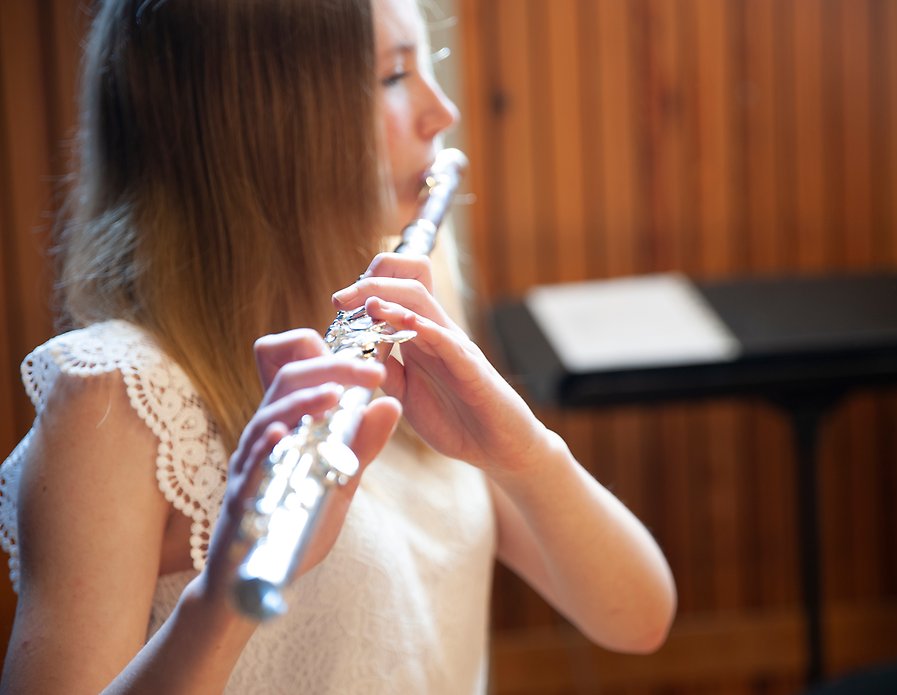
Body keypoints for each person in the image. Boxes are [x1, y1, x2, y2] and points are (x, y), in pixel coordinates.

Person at [0, 0, 676, 692]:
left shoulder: (403, 302)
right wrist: (229, 594)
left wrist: (522, 451)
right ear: (258, 117)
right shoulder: (113, 394)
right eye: (392, 76)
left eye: (428, 66)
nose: (441, 113)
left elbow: (638, 618)